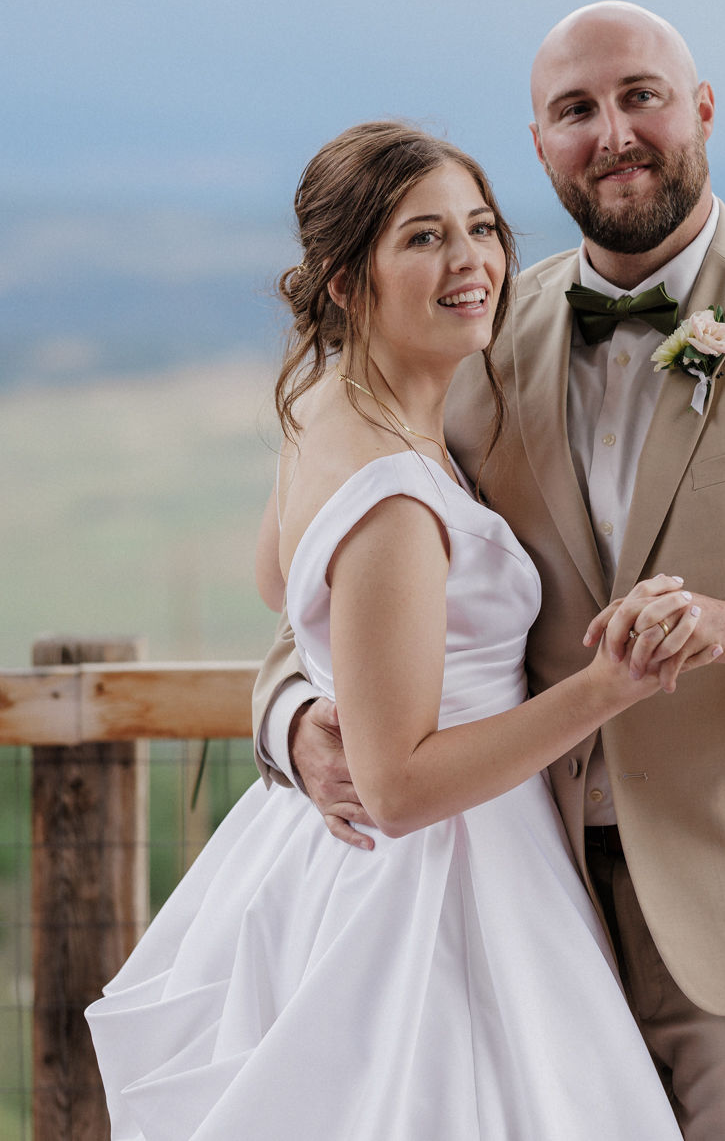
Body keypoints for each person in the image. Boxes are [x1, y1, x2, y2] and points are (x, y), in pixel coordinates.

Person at [253, 3, 725, 1138]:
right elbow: (357, 555)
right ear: (540, 145)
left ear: (701, 108)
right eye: (575, 111)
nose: (612, 132)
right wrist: (293, 713)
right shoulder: (480, 328)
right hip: (526, 908)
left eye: (639, 95)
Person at [87, 122, 691, 1140]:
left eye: (482, 227)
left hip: (321, 861)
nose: (470, 262)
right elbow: (401, 786)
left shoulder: (325, 404)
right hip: (435, 887)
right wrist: (608, 684)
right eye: (422, 238)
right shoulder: (398, 503)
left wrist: (314, 698)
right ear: (343, 277)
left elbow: (277, 577)